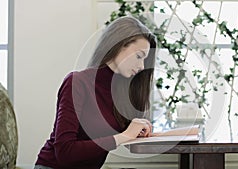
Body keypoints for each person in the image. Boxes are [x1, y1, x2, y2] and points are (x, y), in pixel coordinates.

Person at [34, 16, 157, 169]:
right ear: (119, 45)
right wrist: (124, 136)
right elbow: (65, 152)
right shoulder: (77, 82)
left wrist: (137, 129)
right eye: (139, 56)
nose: (141, 66)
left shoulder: (120, 94)